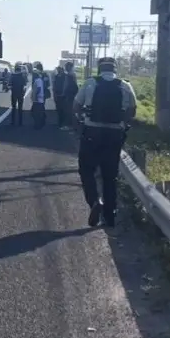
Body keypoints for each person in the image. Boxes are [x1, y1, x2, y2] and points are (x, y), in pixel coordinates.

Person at [72, 57, 137, 228]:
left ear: (99, 69)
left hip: (92, 132)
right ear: (115, 69)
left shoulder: (90, 84)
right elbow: (132, 110)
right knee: (110, 176)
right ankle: (110, 216)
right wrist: (123, 124)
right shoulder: (125, 85)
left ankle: (94, 201)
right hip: (114, 134)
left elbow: (76, 106)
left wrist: (81, 121)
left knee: (86, 169)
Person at [31, 62, 48, 129]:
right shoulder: (45, 75)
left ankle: (38, 123)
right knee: (41, 108)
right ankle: (42, 121)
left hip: (38, 94)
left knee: (35, 110)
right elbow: (48, 84)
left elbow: (34, 85)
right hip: (43, 94)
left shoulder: (35, 75)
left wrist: (34, 95)